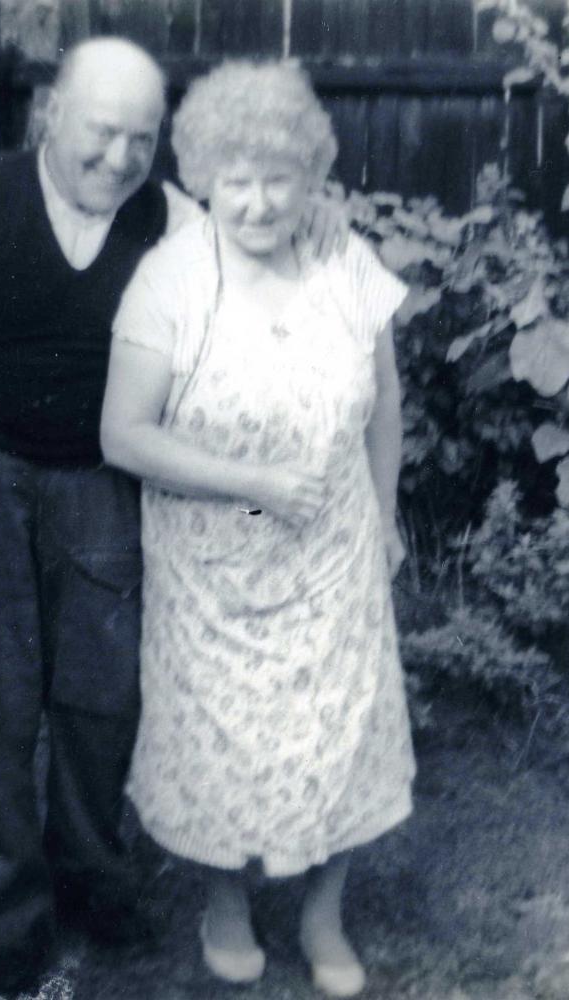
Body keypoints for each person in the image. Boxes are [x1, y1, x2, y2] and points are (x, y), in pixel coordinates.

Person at [0, 38, 347, 997]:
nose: (120, 158)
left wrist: (322, 225)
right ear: (52, 114)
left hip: (101, 479)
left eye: (141, 138)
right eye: (101, 133)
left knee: (103, 701)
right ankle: (2, 907)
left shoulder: (170, 219)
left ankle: (90, 878)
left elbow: (254, 284)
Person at [101, 59, 416, 998]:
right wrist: (254, 483)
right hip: (216, 552)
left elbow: (386, 400)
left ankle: (323, 914)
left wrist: (387, 511)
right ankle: (225, 904)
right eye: (235, 180)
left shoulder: (343, 258)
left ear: (310, 175)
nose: (258, 201)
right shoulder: (170, 280)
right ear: (203, 178)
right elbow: (122, 434)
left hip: (334, 545)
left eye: (279, 177)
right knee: (220, 740)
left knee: (340, 732)